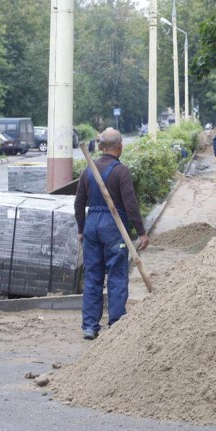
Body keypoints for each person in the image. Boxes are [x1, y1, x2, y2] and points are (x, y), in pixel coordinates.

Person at [74, 127, 149, 340]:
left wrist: (81, 229)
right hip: (113, 226)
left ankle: (90, 326)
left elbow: (79, 203)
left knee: (93, 276)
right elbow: (131, 205)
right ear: (120, 147)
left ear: (100, 147)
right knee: (116, 274)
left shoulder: (88, 170)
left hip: (92, 225)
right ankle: (116, 322)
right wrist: (142, 232)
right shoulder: (120, 171)